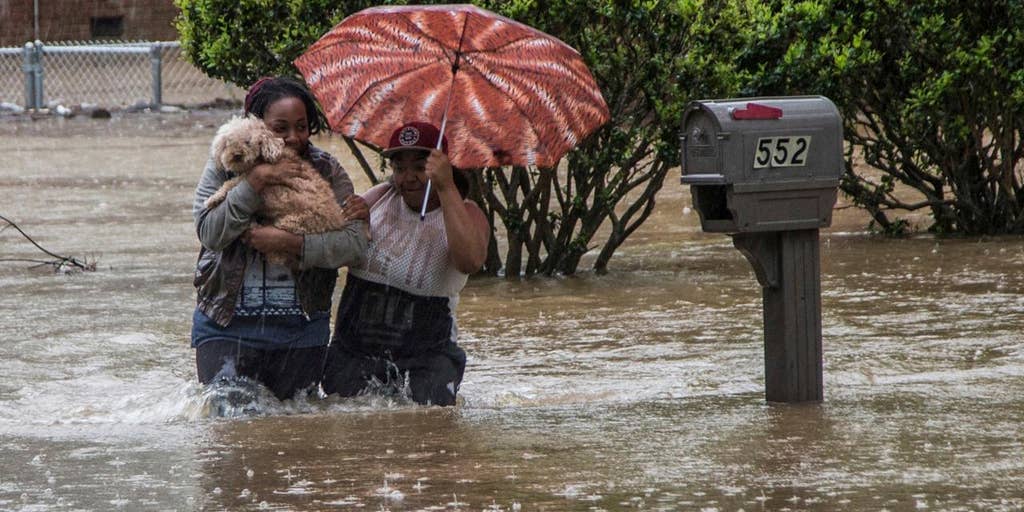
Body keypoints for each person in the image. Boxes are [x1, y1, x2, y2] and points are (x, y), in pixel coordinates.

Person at [190, 76, 369, 402]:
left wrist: (295, 245)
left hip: (300, 329)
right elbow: (209, 233)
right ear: (256, 125)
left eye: (302, 127)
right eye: (280, 128)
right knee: (229, 428)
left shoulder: (327, 170)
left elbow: (356, 245)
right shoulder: (226, 160)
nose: (293, 137)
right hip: (225, 323)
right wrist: (254, 183)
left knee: (292, 436)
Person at [321, 121, 490, 406]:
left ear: (441, 166)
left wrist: (446, 187)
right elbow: (329, 248)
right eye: (400, 168)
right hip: (353, 353)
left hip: (427, 361)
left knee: (424, 435)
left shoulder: (467, 212)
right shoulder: (379, 198)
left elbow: (470, 261)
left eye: (420, 167)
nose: (409, 177)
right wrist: (354, 219)